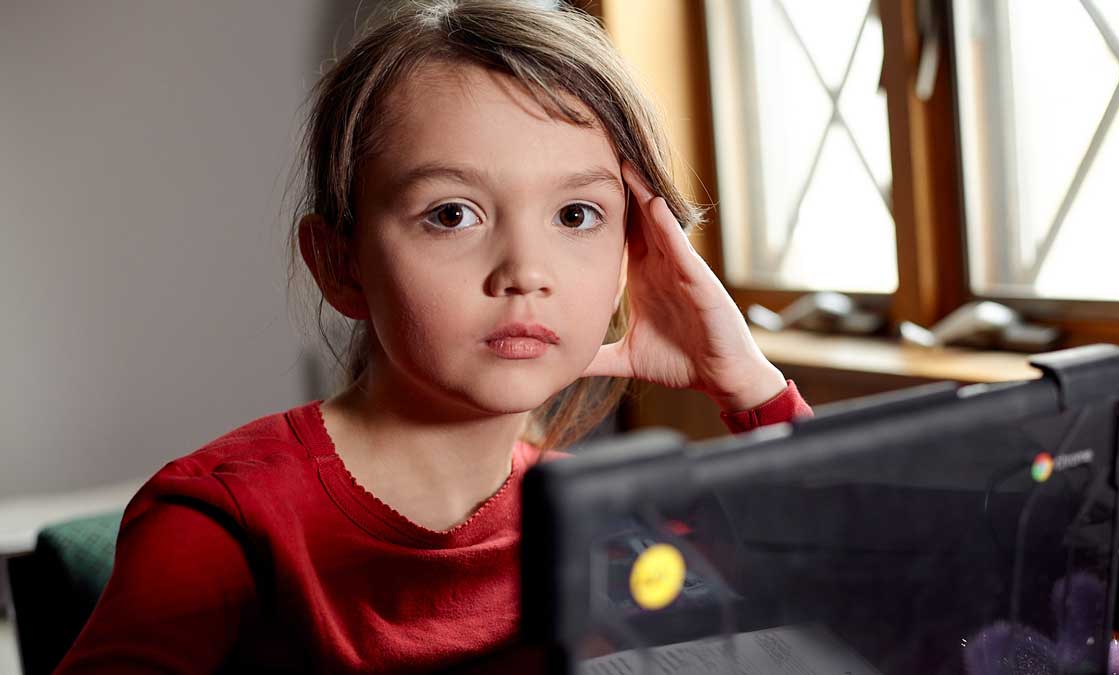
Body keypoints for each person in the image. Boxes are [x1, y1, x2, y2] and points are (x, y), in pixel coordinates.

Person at [54, 1, 812, 672]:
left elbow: (864, 596)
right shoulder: (222, 525)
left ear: (632, 254)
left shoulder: (608, 520)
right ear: (340, 264)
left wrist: (747, 381)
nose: (525, 271)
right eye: (452, 214)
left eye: (576, 215)